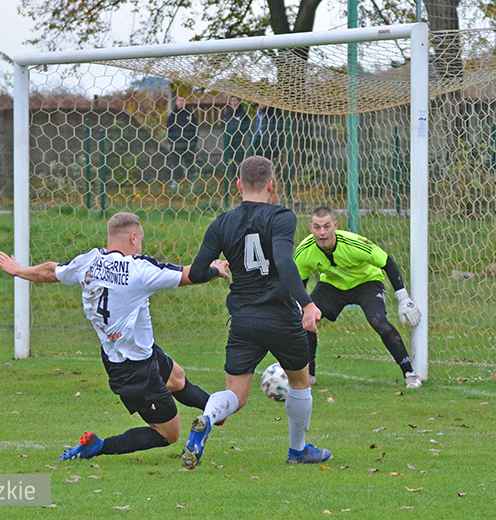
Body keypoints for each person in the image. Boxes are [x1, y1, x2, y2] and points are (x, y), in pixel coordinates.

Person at [0, 212, 230, 461]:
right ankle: (98, 446)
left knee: (177, 378)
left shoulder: (89, 262)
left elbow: (51, 271)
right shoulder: (139, 269)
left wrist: (18, 270)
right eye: (141, 239)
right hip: (135, 371)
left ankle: (215, 412)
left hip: (128, 354)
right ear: (134, 236)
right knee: (168, 434)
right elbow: (190, 275)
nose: (141, 244)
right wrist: (216, 269)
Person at [181, 155, 332, 469]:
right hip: (281, 317)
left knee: (235, 394)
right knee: (300, 381)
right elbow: (285, 262)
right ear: (271, 186)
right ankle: (297, 450)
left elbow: (195, 273)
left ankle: (207, 418)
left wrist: (216, 270)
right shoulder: (282, 216)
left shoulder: (222, 222)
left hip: (244, 319)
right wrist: (307, 304)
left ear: (238, 185)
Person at [293, 206, 423, 388]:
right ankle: (310, 374)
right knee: (307, 320)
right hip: (332, 285)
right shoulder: (304, 251)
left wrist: (403, 299)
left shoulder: (354, 244)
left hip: (367, 283)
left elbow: (388, 262)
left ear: (335, 226)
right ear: (310, 228)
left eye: (327, 226)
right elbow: (300, 283)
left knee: (378, 321)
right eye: (317, 227)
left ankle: (409, 373)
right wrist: (300, 308)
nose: (322, 232)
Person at [166, 95, 199, 181]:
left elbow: (195, 128)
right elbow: (169, 129)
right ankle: (176, 183)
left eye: (183, 100)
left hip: (188, 144)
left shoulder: (190, 114)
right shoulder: (173, 115)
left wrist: (193, 142)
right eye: (179, 100)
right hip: (176, 145)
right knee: (175, 165)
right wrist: (171, 142)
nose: (181, 102)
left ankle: (191, 184)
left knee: (189, 165)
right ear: (176, 102)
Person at [222, 95, 251, 176]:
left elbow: (247, 125)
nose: (234, 102)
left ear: (239, 102)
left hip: (239, 140)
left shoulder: (243, 114)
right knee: (230, 158)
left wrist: (239, 132)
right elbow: (223, 126)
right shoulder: (227, 114)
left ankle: (239, 175)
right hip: (229, 141)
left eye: (235, 100)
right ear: (230, 102)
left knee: (239, 158)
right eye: (232, 101)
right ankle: (231, 175)